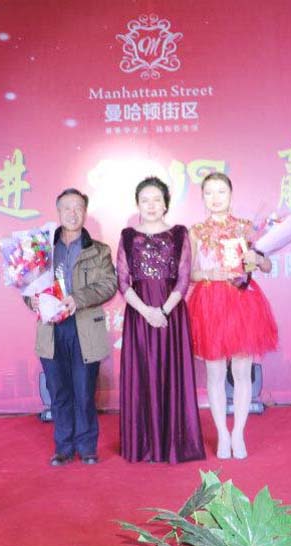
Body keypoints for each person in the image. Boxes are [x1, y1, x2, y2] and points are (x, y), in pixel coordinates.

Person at [187, 172, 278, 459]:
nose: (215, 198)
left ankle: (238, 433)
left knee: (241, 371)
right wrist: (209, 274)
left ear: (231, 194)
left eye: (221, 192)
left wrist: (256, 259)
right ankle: (222, 435)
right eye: (209, 192)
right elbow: (187, 274)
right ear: (202, 197)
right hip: (209, 303)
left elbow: (267, 266)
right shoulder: (196, 231)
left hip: (242, 302)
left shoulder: (246, 228)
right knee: (214, 373)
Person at [117, 177, 205, 463]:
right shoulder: (128, 236)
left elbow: (183, 279)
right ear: (137, 204)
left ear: (166, 203)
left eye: (157, 199)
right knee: (143, 374)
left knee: (171, 374)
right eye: (145, 200)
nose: (151, 205)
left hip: (171, 314)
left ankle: (172, 444)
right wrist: (147, 312)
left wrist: (163, 311)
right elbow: (122, 281)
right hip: (139, 315)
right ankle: (144, 445)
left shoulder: (179, 234)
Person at [29, 188, 117, 466]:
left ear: (85, 212)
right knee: (59, 392)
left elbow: (109, 285)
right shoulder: (41, 249)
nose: (72, 213)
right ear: (58, 212)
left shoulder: (99, 250)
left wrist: (78, 299)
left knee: (84, 391)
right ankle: (63, 447)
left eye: (78, 207)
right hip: (51, 329)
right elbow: (27, 283)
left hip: (84, 327)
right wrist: (31, 300)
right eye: (66, 208)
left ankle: (87, 447)